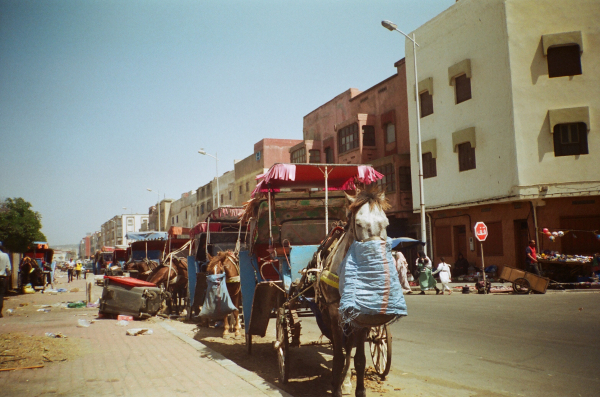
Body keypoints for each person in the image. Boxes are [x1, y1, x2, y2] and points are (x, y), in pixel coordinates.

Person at [0, 245, 11, 318]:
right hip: (2, 278)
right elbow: (8, 267)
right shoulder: (5, 255)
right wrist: (8, 275)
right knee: (0, 295)